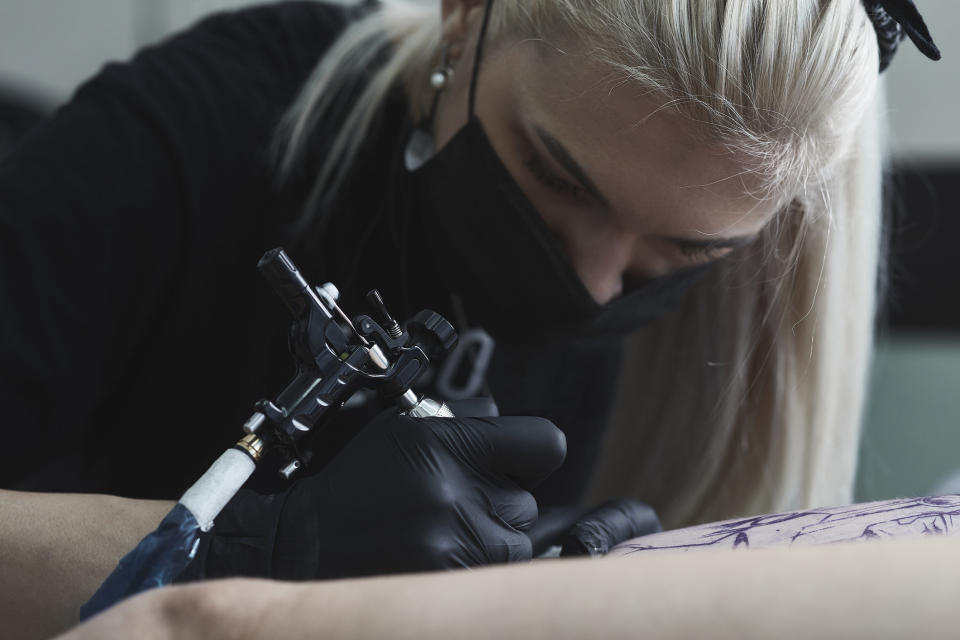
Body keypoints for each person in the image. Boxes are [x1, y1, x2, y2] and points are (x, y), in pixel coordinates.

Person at [0, 0, 941, 637]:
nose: (598, 285)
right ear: (463, 16)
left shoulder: (752, 289)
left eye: (685, 253)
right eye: (554, 176)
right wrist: (246, 548)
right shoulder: (190, 132)